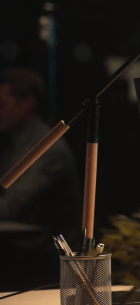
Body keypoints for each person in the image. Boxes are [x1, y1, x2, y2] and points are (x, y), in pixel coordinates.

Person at [0, 67, 80, 252]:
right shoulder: (14, 140)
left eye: (2, 104)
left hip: (48, 252)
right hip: (23, 246)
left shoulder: (47, 146)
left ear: (28, 103)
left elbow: (13, 204)